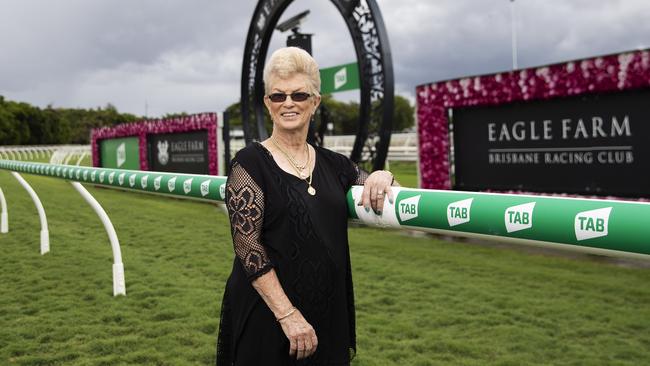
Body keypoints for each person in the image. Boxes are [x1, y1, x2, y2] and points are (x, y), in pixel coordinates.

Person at [216, 47, 396, 365]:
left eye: (299, 95)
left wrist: (382, 176)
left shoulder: (335, 164)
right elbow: (249, 250)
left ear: (315, 102)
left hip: (326, 315)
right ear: (267, 104)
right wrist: (287, 316)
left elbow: (381, 188)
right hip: (270, 316)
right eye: (277, 96)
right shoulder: (249, 163)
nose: (288, 103)